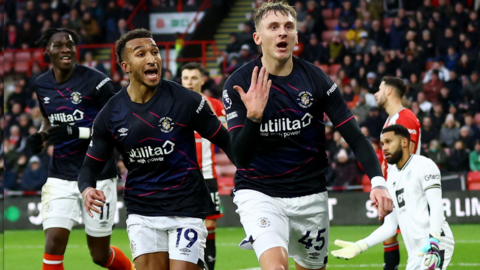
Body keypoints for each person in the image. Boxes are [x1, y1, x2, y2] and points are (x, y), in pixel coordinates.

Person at [223, 2, 393, 270]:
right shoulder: (239, 84)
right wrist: (254, 117)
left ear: (296, 36)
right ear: (258, 37)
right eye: (274, 27)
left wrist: (378, 181)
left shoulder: (316, 80)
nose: (283, 33)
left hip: (310, 195)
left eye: (289, 27)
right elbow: (240, 157)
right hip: (259, 192)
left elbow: (356, 138)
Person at [77, 29, 233, 270]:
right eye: (141, 54)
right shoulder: (110, 114)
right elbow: (90, 165)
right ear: (126, 66)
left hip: (187, 208)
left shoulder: (187, 101)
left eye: (155, 52)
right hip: (142, 212)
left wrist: (255, 178)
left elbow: (229, 143)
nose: (152, 59)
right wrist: (87, 189)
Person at [25, 28, 133, 270]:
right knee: (53, 243)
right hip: (60, 175)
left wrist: (77, 132)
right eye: (59, 45)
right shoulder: (41, 84)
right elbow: (48, 119)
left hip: (98, 174)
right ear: (47, 51)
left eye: (70, 44)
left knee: (99, 255)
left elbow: (118, 127)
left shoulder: (97, 81)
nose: (66, 49)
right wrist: (41, 136)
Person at [331, 124, 455, 270]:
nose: (384, 148)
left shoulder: (424, 165)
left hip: (435, 243)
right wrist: (360, 246)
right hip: (415, 253)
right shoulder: (391, 178)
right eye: (382, 143)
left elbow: (436, 205)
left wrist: (434, 241)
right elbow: (390, 226)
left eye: (389, 142)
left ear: (404, 142)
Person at [180, 62, 227, 270]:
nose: (189, 82)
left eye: (193, 78)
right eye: (186, 78)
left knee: (209, 225)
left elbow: (228, 135)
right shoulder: (173, 105)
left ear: (202, 80)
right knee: (182, 226)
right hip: (180, 177)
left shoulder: (215, 106)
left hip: (207, 175)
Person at [374, 76, 421, 270]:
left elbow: (407, 157)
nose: (376, 93)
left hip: (406, 189)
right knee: (388, 232)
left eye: (379, 88)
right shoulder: (389, 121)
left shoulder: (406, 117)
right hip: (392, 187)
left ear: (389, 91)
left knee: (415, 244)